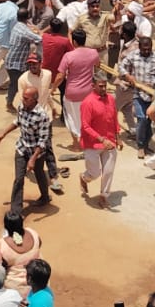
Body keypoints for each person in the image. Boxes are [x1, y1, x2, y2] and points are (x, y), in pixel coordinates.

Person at [0, 87, 52, 216]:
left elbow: (43, 141)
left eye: (26, 98)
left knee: (39, 173)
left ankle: (45, 196)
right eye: (23, 97)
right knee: (19, 179)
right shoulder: (22, 107)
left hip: (37, 152)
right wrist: (3, 133)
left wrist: (33, 158)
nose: (23, 100)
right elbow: (17, 122)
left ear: (34, 100)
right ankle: (16, 211)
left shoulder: (42, 116)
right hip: (22, 148)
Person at [79, 69, 122, 208]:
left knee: (108, 171)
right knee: (95, 173)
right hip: (92, 144)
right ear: (93, 86)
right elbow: (85, 126)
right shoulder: (87, 103)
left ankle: (104, 196)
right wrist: (101, 139)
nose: (104, 88)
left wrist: (118, 137)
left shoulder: (110, 99)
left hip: (110, 142)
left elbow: (114, 118)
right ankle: (84, 178)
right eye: (100, 86)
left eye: (105, 85)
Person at [55, 26, 100, 150]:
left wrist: (53, 88)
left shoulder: (68, 56)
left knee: (71, 118)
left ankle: (76, 144)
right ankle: (86, 141)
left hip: (72, 92)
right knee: (85, 117)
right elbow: (97, 65)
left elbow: (60, 76)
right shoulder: (93, 53)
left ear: (74, 42)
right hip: (88, 92)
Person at [0, 211, 41, 292]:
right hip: (38, 278)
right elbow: (39, 244)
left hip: (17, 288)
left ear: (6, 227)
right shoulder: (33, 233)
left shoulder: (1, 244)